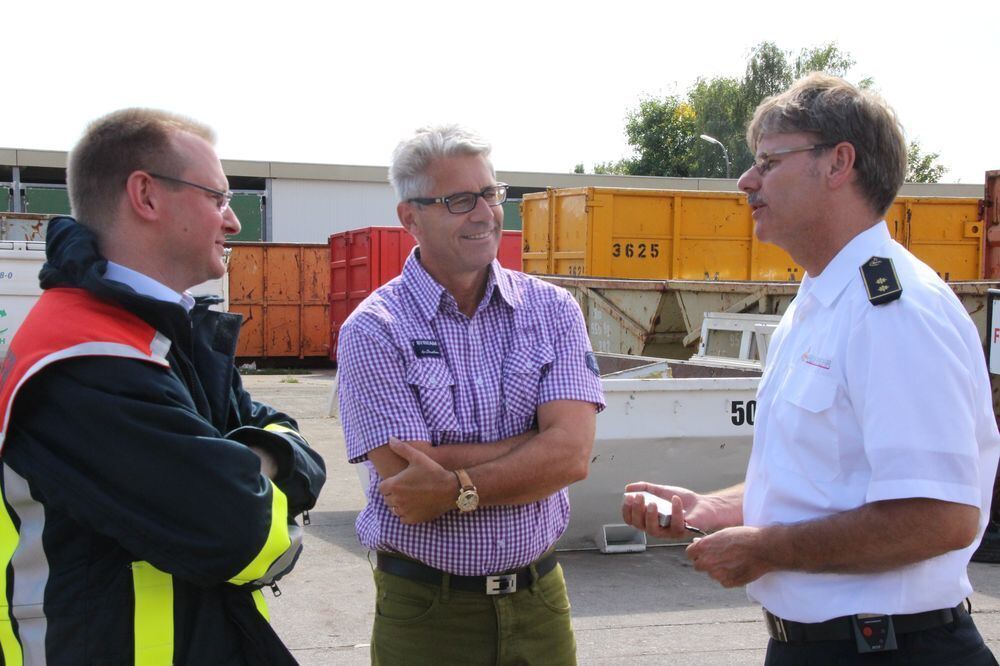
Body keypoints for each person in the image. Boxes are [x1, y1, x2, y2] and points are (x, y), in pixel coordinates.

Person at [622, 73, 1000, 665]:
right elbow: (827, 479)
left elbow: (939, 517)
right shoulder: (819, 303)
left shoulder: (894, 311)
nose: (747, 181)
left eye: (769, 161)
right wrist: (713, 511)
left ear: (837, 164)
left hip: (891, 648)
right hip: (824, 646)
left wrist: (767, 548)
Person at [0, 109, 326, 664]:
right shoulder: (85, 362)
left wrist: (255, 456)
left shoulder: (158, 337)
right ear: (146, 196)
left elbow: (293, 443)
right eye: (218, 198)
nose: (234, 223)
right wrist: (260, 461)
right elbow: (237, 535)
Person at [336, 124, 605, 665]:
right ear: (409, 217)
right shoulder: (374, 329)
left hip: (540, 603)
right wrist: (535, 444)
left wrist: (456, 486)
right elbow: (407, 477)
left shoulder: (552, 311)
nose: (484, 213)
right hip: (427, 613)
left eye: (490, 193)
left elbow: (572, 456)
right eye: (460, 200)